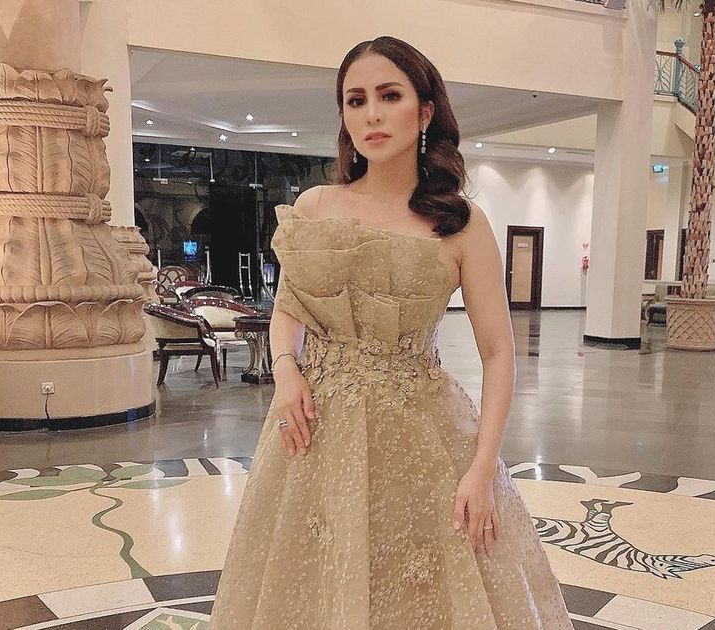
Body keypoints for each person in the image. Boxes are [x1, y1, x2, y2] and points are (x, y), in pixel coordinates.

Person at [209, 36, 572, 629]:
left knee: (414, 592)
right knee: (316, 583)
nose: (371, 114)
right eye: (356, 101)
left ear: (424, 112)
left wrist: (482, 468)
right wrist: (286, 369)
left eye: (389, 96)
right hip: (316, 432)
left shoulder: (459, 223)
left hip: (420, 436)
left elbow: (498, 352)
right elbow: (289, 309)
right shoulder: (317, 206)